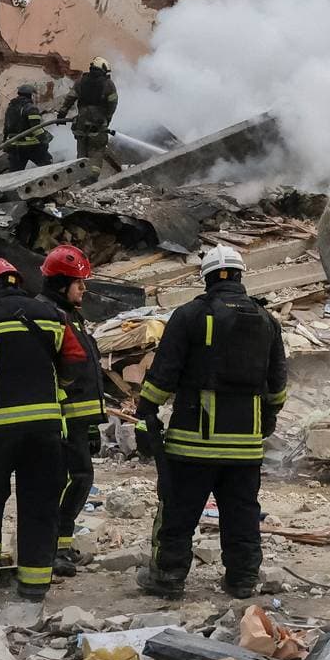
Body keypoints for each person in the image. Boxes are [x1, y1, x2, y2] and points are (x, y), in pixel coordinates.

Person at [135, 244, 289, 601]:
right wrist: (266, 420)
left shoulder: (189, 315)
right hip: (245, 447)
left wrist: (147, 411)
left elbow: (164, 375)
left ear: (205, 278)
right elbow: (277, 383)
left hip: (192, 443)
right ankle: (242, 580)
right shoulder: (266, 320)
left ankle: (169, 577)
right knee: (242, 514)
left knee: (178, 511)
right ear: (240, 276)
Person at [0, 257, 88, 602]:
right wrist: (57, 382)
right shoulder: (54, 316)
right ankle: (34, 584)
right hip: (45, 429)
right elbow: (75, 360)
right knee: (40, 503)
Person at [40, 244, 105, 577]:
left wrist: (92, 426)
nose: (83, 289)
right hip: (61, 420)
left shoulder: (70, 318)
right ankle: (50, 548)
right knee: (69, 481)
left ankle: (60, 546)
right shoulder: (50, 318)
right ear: (60, 284)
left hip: (76, 420)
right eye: (78, 283)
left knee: (79, 480)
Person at [59, 58, 118, 163]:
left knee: (81, 156)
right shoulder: (108, 84)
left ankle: (81, 176)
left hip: (81, 125)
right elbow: (112, 104)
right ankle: (92, 177)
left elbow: (70, 98)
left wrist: (62, 113)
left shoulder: (81, 81)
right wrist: (107, 119)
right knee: (97, 153)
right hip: (98, 126)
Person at [2, 84, 53, 171]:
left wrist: (4, 142)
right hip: (32, 146)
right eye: (34, 95)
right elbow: (36, 129)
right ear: (31, 95)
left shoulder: (10, 108)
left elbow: (6, 127)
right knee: (49, 168)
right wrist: (47, 138)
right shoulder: (31, 108)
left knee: (14, 174)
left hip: (15, 147)